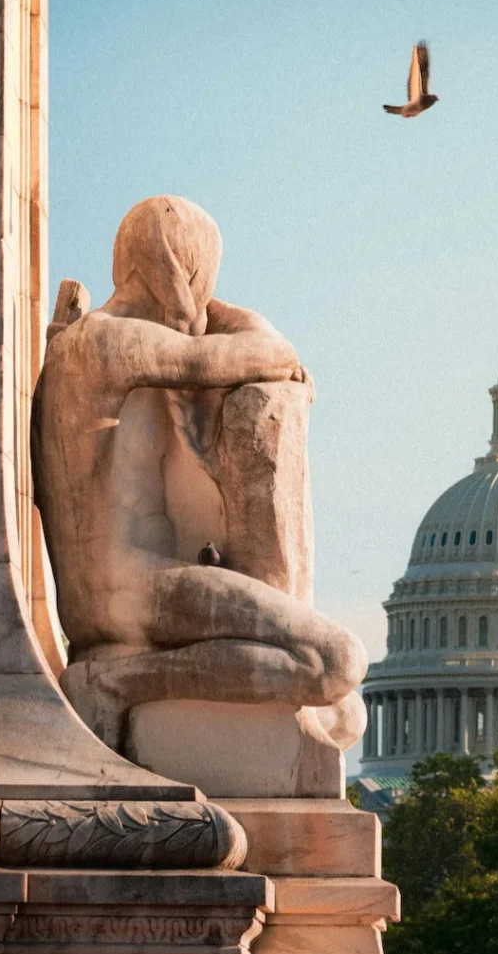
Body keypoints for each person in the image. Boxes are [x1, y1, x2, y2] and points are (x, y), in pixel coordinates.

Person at [32, 196, 367, 749]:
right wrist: (208, 304)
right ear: (184, 268)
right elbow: (266, 351)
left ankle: (127, 680)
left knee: (344, 706)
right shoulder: (106, 340)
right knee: (338, 662)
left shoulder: (97, 343)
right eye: (205, 275)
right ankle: (116, 682)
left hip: (135, 584)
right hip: (127, 588)